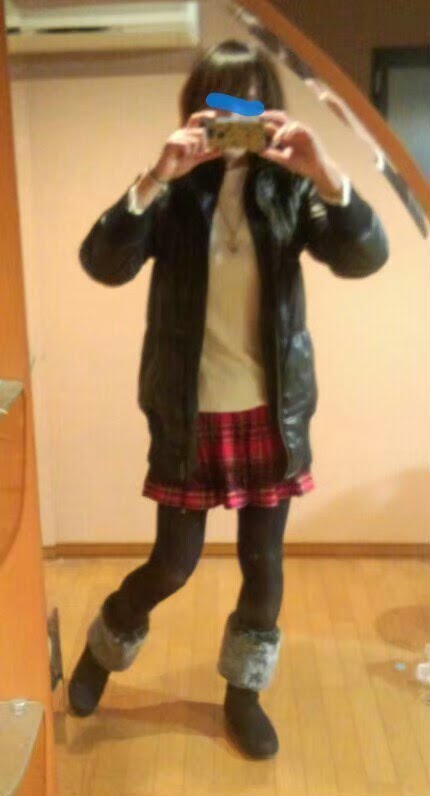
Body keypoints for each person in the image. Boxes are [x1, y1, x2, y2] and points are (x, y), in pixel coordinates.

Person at [68, 40, 389, 760]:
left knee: (263, 567)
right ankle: (101, 649)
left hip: (270, 414)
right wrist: (155, 176)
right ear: (198, 110)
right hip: (189, 416)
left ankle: (243, 696)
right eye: (221, 104)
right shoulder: (177, 191)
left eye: (250, 103)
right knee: (171, 565)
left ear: (269, 109)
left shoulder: (291, 191)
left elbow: (364, 257)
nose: (236, 118)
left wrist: (325, 173)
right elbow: (103, 263)